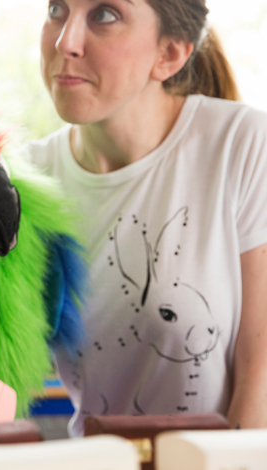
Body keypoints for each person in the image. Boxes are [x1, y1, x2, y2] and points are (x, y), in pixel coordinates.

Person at [24, 0, 267, 436]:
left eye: (104, 15)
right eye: (56, 9)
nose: (65, 41)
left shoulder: (243, 145)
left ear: (169, 54)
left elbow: (261, 367)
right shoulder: (26, 182)